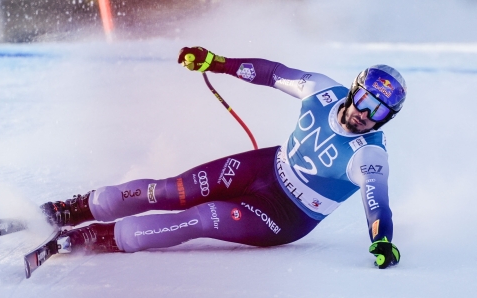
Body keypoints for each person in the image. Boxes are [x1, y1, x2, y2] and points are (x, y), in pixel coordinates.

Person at [41, 46, 405, 269]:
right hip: (264, 167)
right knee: (171, 189)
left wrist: (382, 239)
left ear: (387, 118)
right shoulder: (322, 90)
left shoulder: (369, 153)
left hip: (286, 215)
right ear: (354, 91)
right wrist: (217, 62)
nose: (365, 114)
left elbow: (377, 202)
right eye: (365, 101)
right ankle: (78, 207)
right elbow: (272, 73)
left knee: (201, 218)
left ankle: (97, 237)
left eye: (378, 111)